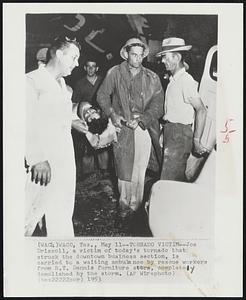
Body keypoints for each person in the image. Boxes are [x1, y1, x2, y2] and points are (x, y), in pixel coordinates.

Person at [97, 37, 164, 218]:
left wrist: (143, 118)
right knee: (123, 167)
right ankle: (124, 203)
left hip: (143, 127)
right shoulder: (115, 73)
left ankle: (136, 204)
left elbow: (158, 105)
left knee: (140, 168)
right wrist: (112, 114)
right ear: (126, 54)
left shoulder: (152, 77)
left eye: (140, 56)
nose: (137, 59)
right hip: (122, 127)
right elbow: (102, 95)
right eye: (133, 55)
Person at [25, 36, 81, 237]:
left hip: (64, 158)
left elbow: (60, 117)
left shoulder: (63, 86)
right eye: (73, 58)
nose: (77, 64)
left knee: (62, 211)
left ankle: (63, 261)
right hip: (41, 163)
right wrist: (38, 158)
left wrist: (78, 118)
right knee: (27, 215)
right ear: (59, 54)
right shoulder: (32, 81)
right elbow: (25, 122)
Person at [156, 37, 207, 181]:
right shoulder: (174, 80)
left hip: (179, 134)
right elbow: (173, 111)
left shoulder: (185, 80)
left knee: (169, 180)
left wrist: (196, 141)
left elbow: (201, 110)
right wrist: (164, 132)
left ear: (177, 57)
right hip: (172, 131)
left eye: (165, 57)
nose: (163, 61)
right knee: (170, 175)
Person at [71, 60, 109, 176]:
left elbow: (108, 97)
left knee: (103, 144)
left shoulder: (103, 81)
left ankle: (104, 170)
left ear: (97, 68)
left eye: (93, 67)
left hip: (101, 117)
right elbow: (75, 103)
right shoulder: (80, 83)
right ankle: (88, 174)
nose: (91, 69)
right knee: (87, 146)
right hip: (85, 118)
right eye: (88, 66)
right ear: (85, 68)